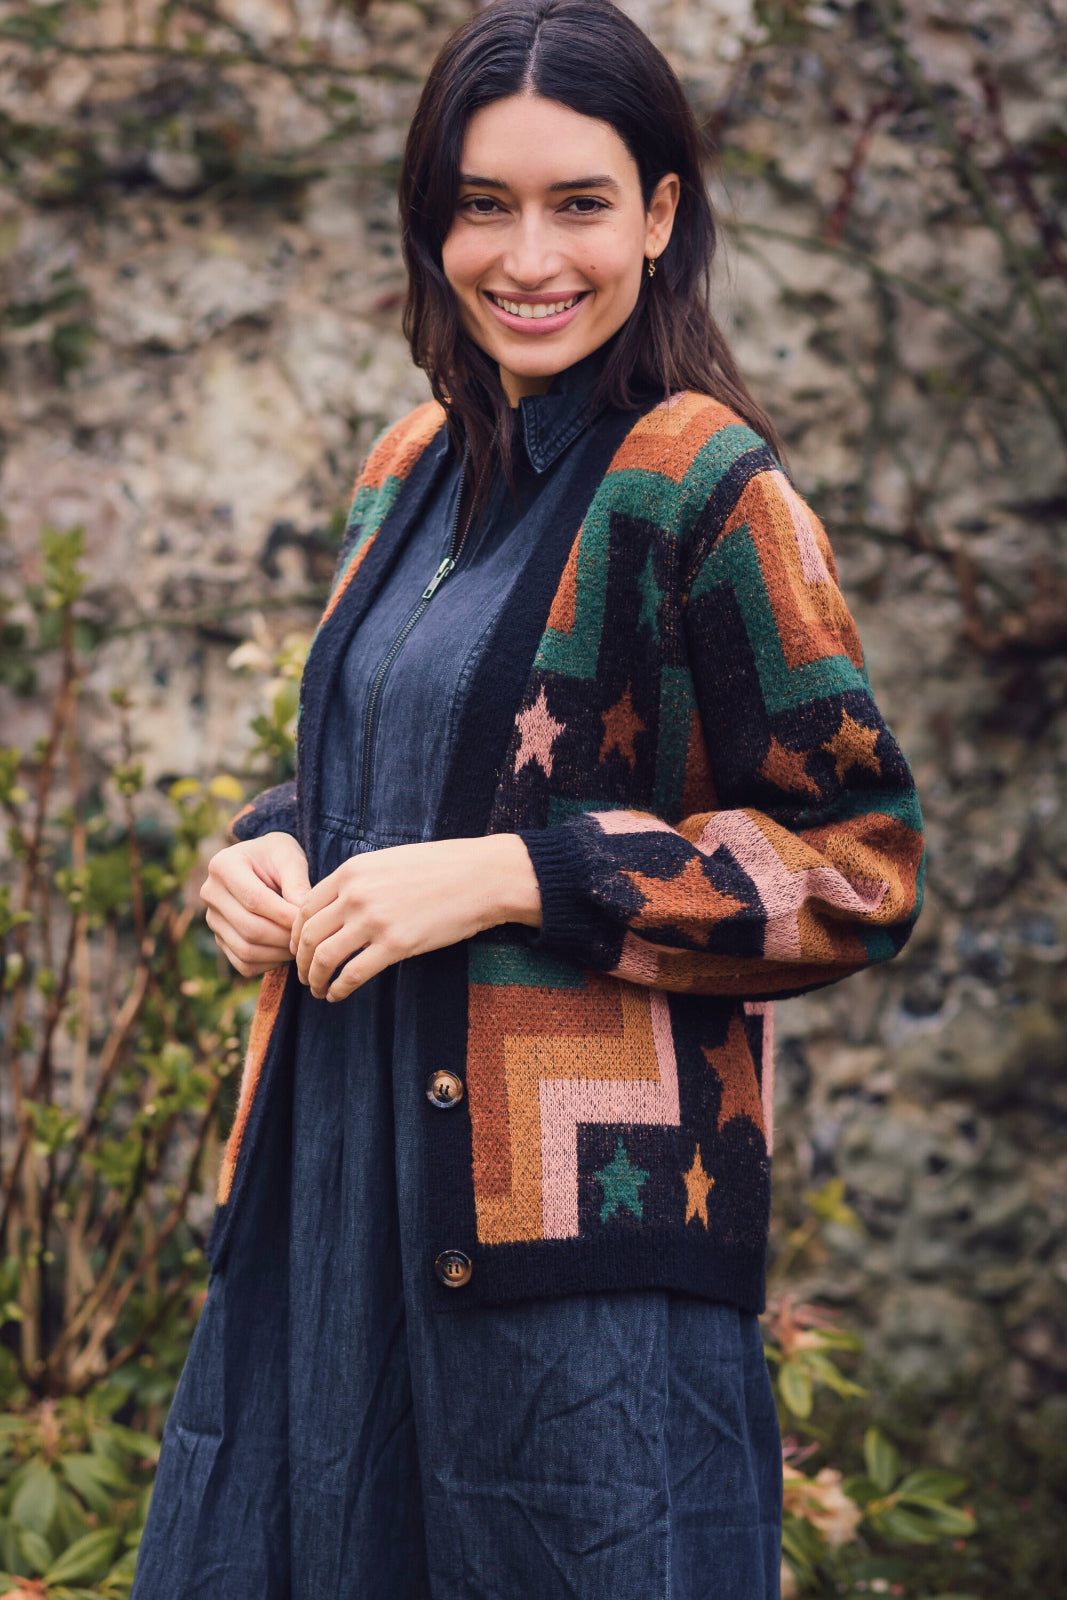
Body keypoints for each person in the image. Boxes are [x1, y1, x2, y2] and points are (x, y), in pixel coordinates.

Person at [131, 1, 924, 1595]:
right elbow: (393, 763)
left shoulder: (705, 485)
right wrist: (262, 854)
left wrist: (516, 880)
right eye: (483, 203)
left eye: (578, 201)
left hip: (575, 1273)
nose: (526, 254)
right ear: (433, 223)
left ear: (661, 214)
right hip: (333, 1224)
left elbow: (859, 865)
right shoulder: (410, 464)